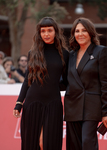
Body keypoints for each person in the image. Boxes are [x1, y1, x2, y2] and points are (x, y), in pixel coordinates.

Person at [13, 17, 69, 150]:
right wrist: (19, 103)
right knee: (34, 143)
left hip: (53, 104)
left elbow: (67, 81)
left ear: (56, 32)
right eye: (43, 31)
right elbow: (27, 80)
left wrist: (53, 87)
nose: (46, 34)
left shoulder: (65, 54)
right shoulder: (33, 53)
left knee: (48, 144)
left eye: (50, 30)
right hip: (33, 103)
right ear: (39, 33)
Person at [64, 18, 107, 150]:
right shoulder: (71, 55)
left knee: (87, 142)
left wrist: (106, 111)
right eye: (77, 31)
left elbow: (106, 83)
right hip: (72, 105)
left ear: (91, 33)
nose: (80, 34)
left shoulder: (101, 51)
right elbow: (65, 81)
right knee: (74, 145)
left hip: (91, 106)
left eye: (84, 30)